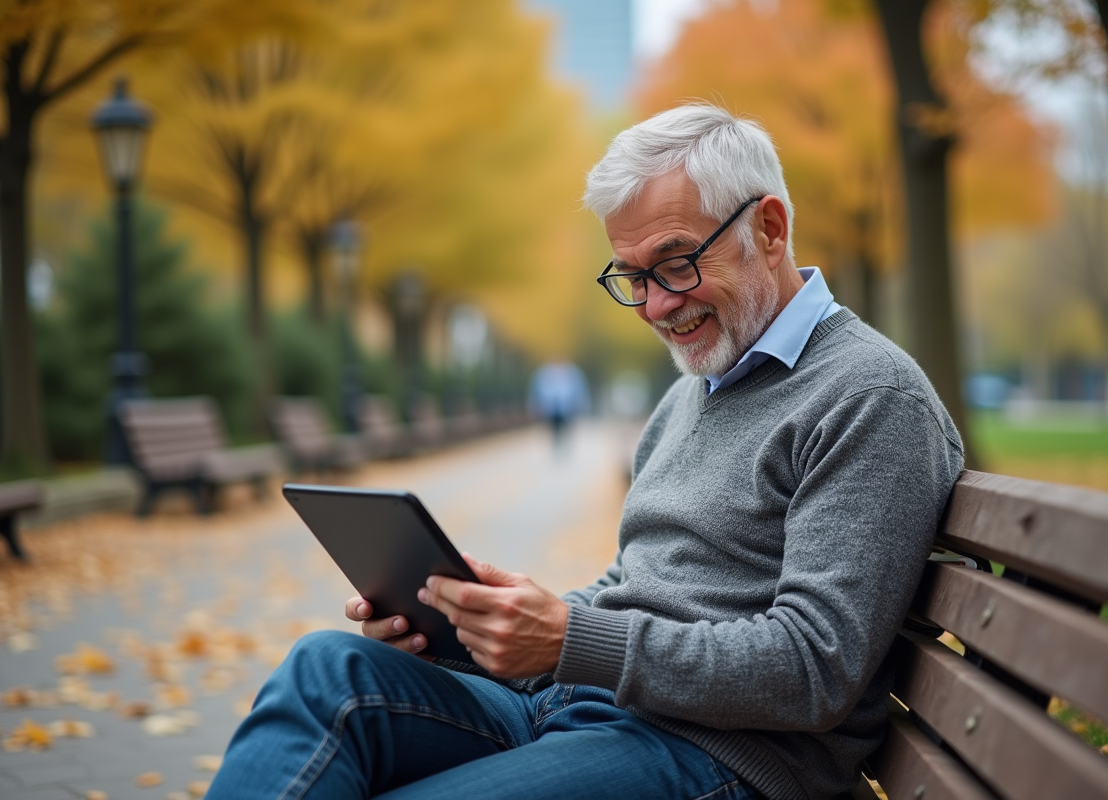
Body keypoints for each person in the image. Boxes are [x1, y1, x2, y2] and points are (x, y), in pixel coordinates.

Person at [208, 104, 964, 800]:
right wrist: (483, 624)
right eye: (633, 278)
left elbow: (813, 667)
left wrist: (571, 640)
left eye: (675, 262)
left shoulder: (870, 397)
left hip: (721, 759)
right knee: (325, 671)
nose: (659, 307)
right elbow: (640, 586)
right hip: (586, 712)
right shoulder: (693, 394)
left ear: (769, 227)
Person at [528, 358, 591, 452]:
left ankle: (563, 444)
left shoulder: (573, 373)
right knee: (554, 426)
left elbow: (579, 391)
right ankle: (557, 443)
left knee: (566, 426)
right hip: (551, 408)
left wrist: (580, 404)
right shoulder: (543, 373)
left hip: (568, 408)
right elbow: (536, 391)